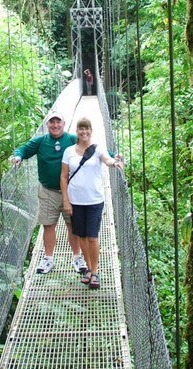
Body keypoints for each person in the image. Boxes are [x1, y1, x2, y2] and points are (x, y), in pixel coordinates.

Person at [10, 109, 87, 274]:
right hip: (47, 191)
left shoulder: (73, 140)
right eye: (52, 122)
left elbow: (92, 150)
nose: (55, 125)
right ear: (47, 124)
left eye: (58, 121)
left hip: (70, 192)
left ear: (64, 124)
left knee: (72, 225)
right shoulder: (41, 141)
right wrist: (18, 156)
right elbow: (23, 149)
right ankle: (48, 259)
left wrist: (112, 156)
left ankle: (77, 258)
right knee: (48, 225)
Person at [60, 117, 123, 290]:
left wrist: (114, 162)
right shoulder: (69, 151)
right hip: (75, 201)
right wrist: (66, 201)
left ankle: (95, 271)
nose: (84, 132)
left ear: (91, 131)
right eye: (81, 129)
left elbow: (107, 159)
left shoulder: (98, 149)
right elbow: (63, 176)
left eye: (87, 128)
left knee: (92, 237)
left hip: (94, 200)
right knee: (81, 236)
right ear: (77, 132)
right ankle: (88, 268)